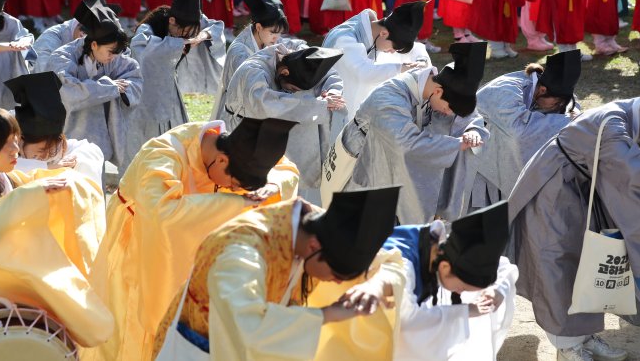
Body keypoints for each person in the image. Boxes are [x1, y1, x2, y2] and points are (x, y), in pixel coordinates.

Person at [509, 85, 640, 361]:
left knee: (586, 263)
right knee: (557, 264)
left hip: (585, 189)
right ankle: (567, 345)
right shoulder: (613, 123)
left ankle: (584, 337)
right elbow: (631, 170)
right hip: (554, 186)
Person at [81, 117, 300, 361]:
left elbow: (287, 171)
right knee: (129, 334)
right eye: (235, 185)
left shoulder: (237, 147)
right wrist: (239, 204)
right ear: (222, 160)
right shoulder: (162, 153)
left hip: (188, 252)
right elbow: (164, 214)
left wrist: (274, 185)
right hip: (140, 249)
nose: (235, 191)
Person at [0, 89, 113, 347]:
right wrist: (26, 198)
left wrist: (67, 184)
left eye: (15, 139)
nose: (15, 149)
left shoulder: (7, 179)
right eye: (5, 142)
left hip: (21, 304)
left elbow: (39, 183)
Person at [153, 187, 402, 360]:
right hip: (199, 348)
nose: (338, 282)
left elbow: (390, 260)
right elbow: (246, 326)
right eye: (338, 273)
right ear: (314, 247)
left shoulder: (317, 224)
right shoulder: (241, 248)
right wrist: (327, 314)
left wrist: (375, 286)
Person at [339, 42, 487, 224]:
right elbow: (405, 143)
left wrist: (473, 130)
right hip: (364, 157)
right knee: (358, 224)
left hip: (398, 166)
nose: (449, 114)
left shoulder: (436, 84)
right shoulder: (389, 98)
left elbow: (469, 115)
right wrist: (456, 144)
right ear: (438, 92)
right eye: (448, 108)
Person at [440, 50, 582, 220]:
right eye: (557, 103)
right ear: (542, 89)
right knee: (476, 225)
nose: (558, 108)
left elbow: (571, 107)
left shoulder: (552, 95)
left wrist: (573, 115)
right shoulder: (506, 89)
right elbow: (520, 133)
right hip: (478, 165)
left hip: (501, 165)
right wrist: (570, 122)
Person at [381, 201, 518, 360]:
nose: (461, 292)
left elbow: (504, 267)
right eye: (462, 288)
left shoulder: (440, 245)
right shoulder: (402, 265)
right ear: (445, 268)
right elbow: (406, 320)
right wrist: (465, 311)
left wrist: (497, 290)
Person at [223, 45, 345, 203]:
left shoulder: (295, 52)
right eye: (293, 89)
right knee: (250, 191)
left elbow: (329, 74)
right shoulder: (253, 70)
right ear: (284, 72)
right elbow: (265, 105)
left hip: (280, 137)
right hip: (247, 135)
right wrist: (317, 104)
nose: (293, 94)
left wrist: (332, 92)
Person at [47, 0, 142, 168]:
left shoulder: (114, 58)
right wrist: (109, 87)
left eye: (117, 53)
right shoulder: (62, 56)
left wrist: (121, 90)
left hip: (99, 138)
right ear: (94, 45)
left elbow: (133, 76)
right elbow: (68, 92)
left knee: (96, 183)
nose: (114, 57)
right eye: (110, 52)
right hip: (68, 134)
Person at [125, 0, 213, 166]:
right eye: (181, 32)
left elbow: (215, 27)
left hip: (170, 93)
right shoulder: (148, 29)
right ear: (172, 20)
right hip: (146, 95)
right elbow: (142, 50)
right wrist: (178, 44)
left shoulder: (188, 25)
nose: (183, 37)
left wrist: (202, 35)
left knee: (174, 146)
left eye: (188, 34)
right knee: (146, 148)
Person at [7, 72, 106, 204]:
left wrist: (75, 162)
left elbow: (90, 150)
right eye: (41, 151)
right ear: (20, 139)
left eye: (52, 148)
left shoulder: (56, 146)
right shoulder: (3, 141)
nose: (47, 155)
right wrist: (46, 168)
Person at [322, 1, 428, 119]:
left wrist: (420, 60)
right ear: (383, 33)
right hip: (334, 104)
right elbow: (363, 72)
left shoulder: (373, 32)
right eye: (395, 47)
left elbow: (416, 49)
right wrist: (401, 68)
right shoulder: (345, 39)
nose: (393, 52)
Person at [213, 0, 299, 120]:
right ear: (258, 27)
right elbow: (252, 85)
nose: (277, 38)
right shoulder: (239, 52)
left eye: (279, 33)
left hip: (258, 109)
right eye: (273, 33)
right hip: (239, 114)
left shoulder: (268, 38)